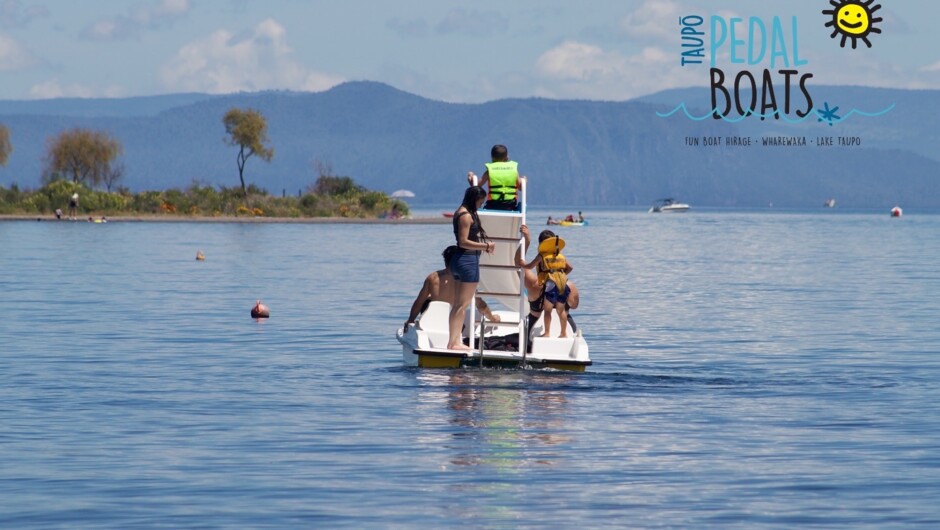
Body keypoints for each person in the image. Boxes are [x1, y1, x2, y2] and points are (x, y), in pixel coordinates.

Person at [404, 245, 500, 332]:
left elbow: (419, 302)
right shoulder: (465, 280)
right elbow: (480, 305)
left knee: (428, 302)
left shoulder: (433, 278)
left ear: (445, 261)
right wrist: (492, 318)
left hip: (433, 324)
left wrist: (410, 320)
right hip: (455, 326)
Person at [447, 186, 496, 350]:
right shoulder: (466, 216)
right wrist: (486, 246)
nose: (480, 205)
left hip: (460, 261)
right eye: (480, 202)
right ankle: (454, 343)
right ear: (474, 199)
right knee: (462, 305)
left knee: (458, 305)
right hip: (467, 261)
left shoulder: (460, 212)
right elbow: (463, 242)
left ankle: (454, 341)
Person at [516, 225, 579, 339]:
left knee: (547, 311)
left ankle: (547, 333)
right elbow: (575, 306)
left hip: (534, 327)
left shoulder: (534, 284)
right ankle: (563, 333)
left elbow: (518, 264)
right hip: (568, 328)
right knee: (562, 311)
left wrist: (527, 240)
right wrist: (560, 276)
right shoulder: (571, 287)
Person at [468, 144, 524, 211]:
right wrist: (524, 180)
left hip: (492, 206)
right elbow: (520, 187)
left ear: (492, 158)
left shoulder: (489, 171)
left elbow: (477, 186)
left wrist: (471, 177)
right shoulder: (514, 171)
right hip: (510, 207)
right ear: (507, 158)